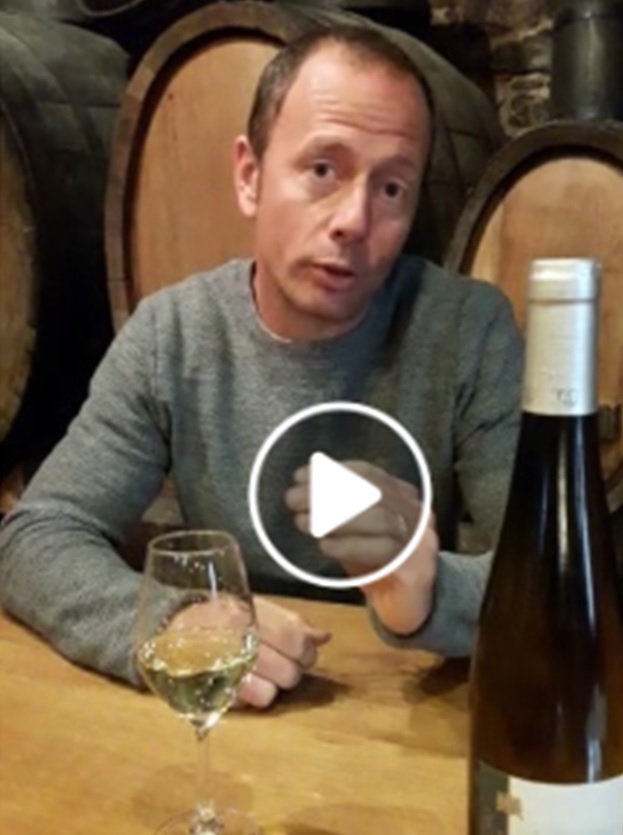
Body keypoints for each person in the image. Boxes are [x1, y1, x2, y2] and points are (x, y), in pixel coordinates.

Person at [0, 24, 522, 708]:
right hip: (232, 718)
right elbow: (37, 535)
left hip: (411, 715)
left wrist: (426, 589)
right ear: (249, 176)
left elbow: (558, 576)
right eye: (323, 170)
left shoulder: (467, 329)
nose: (354, 219)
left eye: (392, 188)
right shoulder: (173, 334)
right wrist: (171, 625)